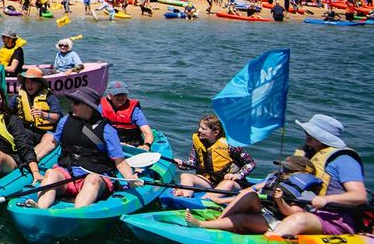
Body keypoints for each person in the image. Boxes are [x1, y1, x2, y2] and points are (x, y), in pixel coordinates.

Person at [187, 115, 366, 236]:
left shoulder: (343, 160)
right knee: (249, 194)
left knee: (300, 219)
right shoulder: (307, 152)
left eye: (311, 132)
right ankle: (219, 222)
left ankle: (271, 239)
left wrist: (326, 200)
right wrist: (245, 193)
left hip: (329, 218)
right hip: (292, 206)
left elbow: (359, 196)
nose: (306, 135)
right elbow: (282, 180)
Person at [30, 86, 140, 209]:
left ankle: (78, 212)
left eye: (77, 103)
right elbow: (53, 143)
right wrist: (34, 159)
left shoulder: (107, 130)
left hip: (93, 177)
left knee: (93, 179)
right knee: (51, 173)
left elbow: (119, 160)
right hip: (67, 175)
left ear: (89, 107)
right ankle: (40, 208)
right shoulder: (65, 121)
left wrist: (130, 177)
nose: (72, 106)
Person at [172, 113, 256, 203]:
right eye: (199, 127)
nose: (199, 130)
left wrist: (237, 175)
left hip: (230, 183)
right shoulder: (199, 141)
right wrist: (181, 165)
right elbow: (193, 163)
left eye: (203, 129)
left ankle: (205, 200)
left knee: (227, 184)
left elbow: (251, 163)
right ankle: (186, 199)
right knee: (185, 176)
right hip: (210, 182)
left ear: (215, 132)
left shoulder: (231, 146)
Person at [10, 68, 60, 158]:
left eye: (32, 82)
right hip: (25, 130)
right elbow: (7, 113)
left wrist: (44, 114)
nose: (29, 85)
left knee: (50, 138)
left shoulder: (49, 97)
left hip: (43, 132)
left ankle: (34, 158)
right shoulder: (17, 98)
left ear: (39, 84)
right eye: (27, 82)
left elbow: (57, 116)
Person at [98, 80, 154, 149]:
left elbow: (147, 132)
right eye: (117, 95)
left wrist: (146, 145)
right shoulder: (100, 106)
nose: (121, 98)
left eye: (123, 94)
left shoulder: (134, 110)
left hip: (132, 144)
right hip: (109, 142)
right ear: (109, 96)